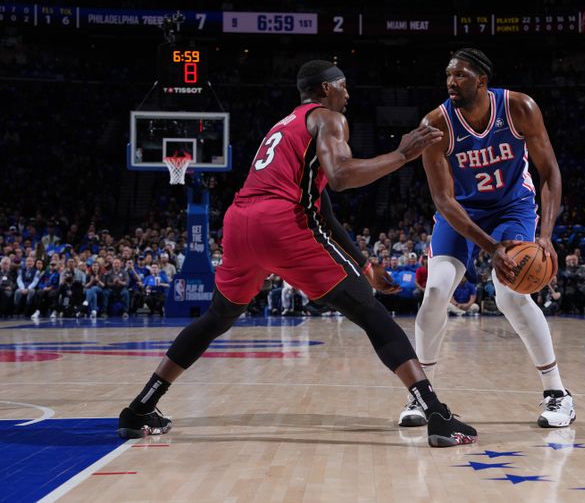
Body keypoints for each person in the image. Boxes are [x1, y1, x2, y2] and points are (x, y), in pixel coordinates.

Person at [118, 60, 476, 448]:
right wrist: (402, 154)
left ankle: (140, 408)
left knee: (217, 317)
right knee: (371, 314)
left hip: (240, 222)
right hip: (281, 222)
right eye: (343, 86)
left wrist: (365, 266)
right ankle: (437, 415)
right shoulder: (328, 118)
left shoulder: (284, 125)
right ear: (325, 89)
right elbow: (339, 177)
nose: (348, 94)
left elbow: (322, 208)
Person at [398, 48, 574, 429]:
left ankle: (557, 394)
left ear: (481, 80)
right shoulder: (436, 124)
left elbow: (550, 173)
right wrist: (490, 247)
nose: (450, 82)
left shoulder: (519, 108)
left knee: (511, 292)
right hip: (462, 213)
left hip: (512, 207)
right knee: (436, 291)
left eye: (459, 75)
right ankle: (421, 396)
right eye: (448, 75)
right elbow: (443, 201)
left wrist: (545, 237)